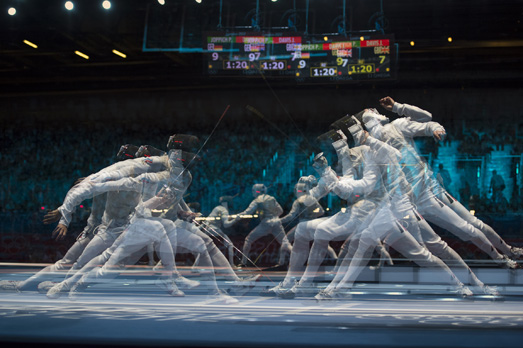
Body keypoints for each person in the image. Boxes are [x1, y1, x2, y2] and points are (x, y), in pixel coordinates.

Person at [235, 184, 292, 268]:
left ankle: (244, 262)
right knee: (285, 242)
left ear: (257, 191)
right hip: (276, 222)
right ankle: (284, 262)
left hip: (266, 224)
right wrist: (273, 216)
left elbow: (248, 212)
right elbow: (280, 211)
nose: (253, 192)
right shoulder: (272, 198)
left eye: (254, 191)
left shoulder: (257, 200)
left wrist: (238, 216)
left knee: (248, 239)